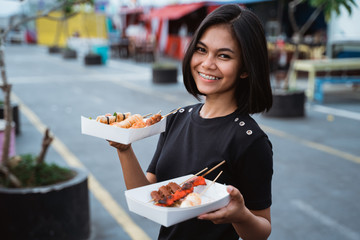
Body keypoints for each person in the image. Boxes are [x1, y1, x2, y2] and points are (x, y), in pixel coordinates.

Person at [109, 4, 273, 240]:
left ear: (246, 68)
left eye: (224, 55)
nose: (207, 63)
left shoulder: (250, 140)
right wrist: (124, 149)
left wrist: (240, 216)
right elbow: (146, 196)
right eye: (201, 50)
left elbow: (262, 229)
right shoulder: (176, 118)